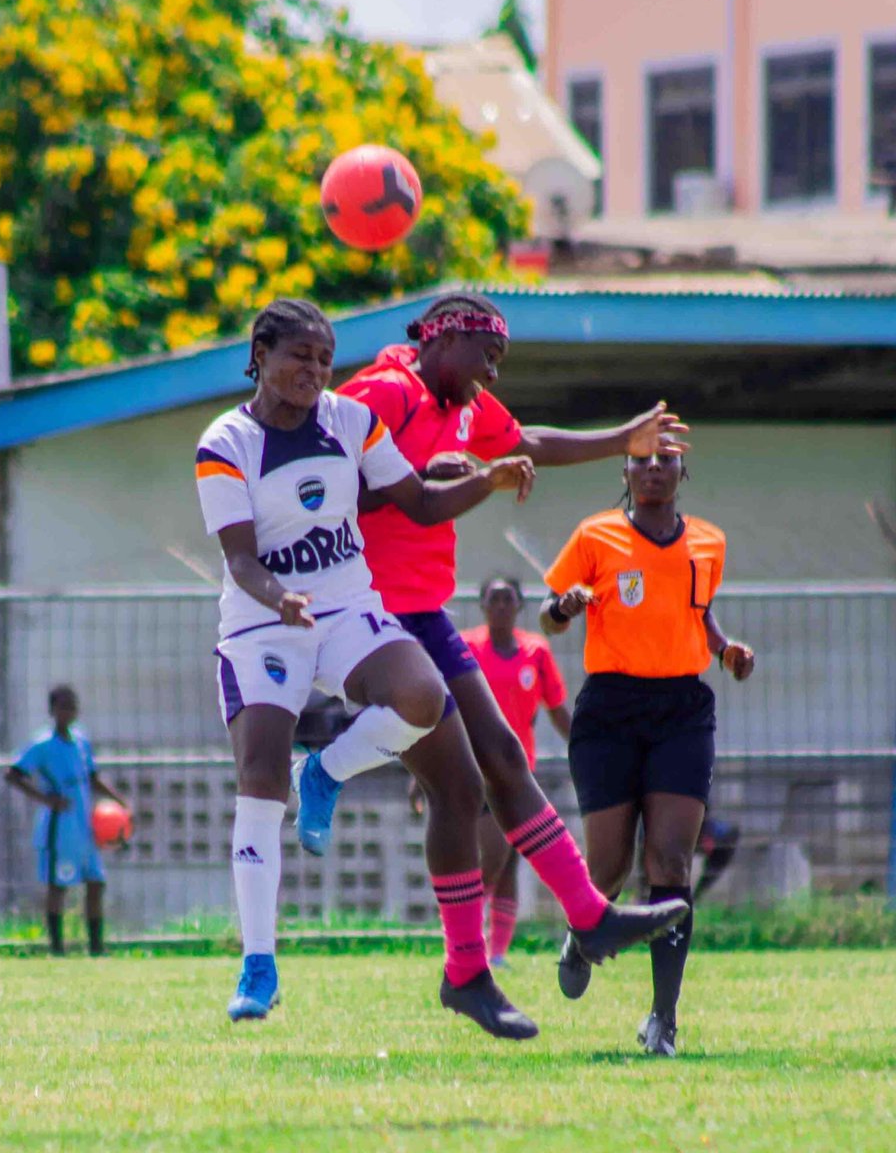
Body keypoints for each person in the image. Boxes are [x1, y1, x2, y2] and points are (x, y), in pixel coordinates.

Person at [291, 291, 690, 979]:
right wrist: (417, 482)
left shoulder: (464, 405)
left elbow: (528, 440)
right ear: (445, 342)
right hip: (370, 615)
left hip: (423, 608)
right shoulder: (386, 391)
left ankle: (584, 921)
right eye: (489, 357)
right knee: (461, 788)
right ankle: (472, 963)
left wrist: (621, 440)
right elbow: (316, 488)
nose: (494, 374)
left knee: (502, 757)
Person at [195, 297, 542, 1035]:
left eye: (324, 360)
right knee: (257, 778)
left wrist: (485, 480)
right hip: (264, 622)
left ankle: (323, 773)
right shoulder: (226, 440)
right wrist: (282, 597)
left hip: (349, 609)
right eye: (299, 357)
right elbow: (239, 559)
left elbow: (415, 501)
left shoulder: (350, 420)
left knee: (421, 696)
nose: (314, 372)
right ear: (259, 355)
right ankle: (259, 962)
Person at [540, 451, 755, 1056]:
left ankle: (664, 1018)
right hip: (610, 706)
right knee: (607, 868)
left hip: (682, 710)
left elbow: (697, 609)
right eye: (642, 460)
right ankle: (582, 934)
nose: (654, 467)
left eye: (667, 460)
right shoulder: (594, 534)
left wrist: (725, 649)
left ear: (684, 473)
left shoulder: (709, 541)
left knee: (669, 864)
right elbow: (548, 612)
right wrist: (564, 608)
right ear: (625, 474)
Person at [462, 576, 571, 967]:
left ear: (520, 605)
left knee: (509, 862)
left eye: (509, 599)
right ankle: (465, 942)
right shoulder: (468, 648)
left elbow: (556, 708)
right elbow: (448, 705)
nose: (502, 606)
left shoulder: (536, 652)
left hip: (521, 770)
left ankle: (497, 953)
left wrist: (583, 748)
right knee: (489, 857)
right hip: (477, 768)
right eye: (495, 599)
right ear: (483, 605)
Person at [4, 685, 132, 957]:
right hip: (59, 827)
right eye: (62, 706)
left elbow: (92, 778)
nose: (68, 712)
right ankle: (57, 948)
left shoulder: (81, 741)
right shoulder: (42, 745)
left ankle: (96, 947)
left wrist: (118, 800)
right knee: (58, 885)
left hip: (84, 826)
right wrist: (46, 799)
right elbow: (13, 775)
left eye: (72, 706)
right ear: (52, 711)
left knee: (96, 883)